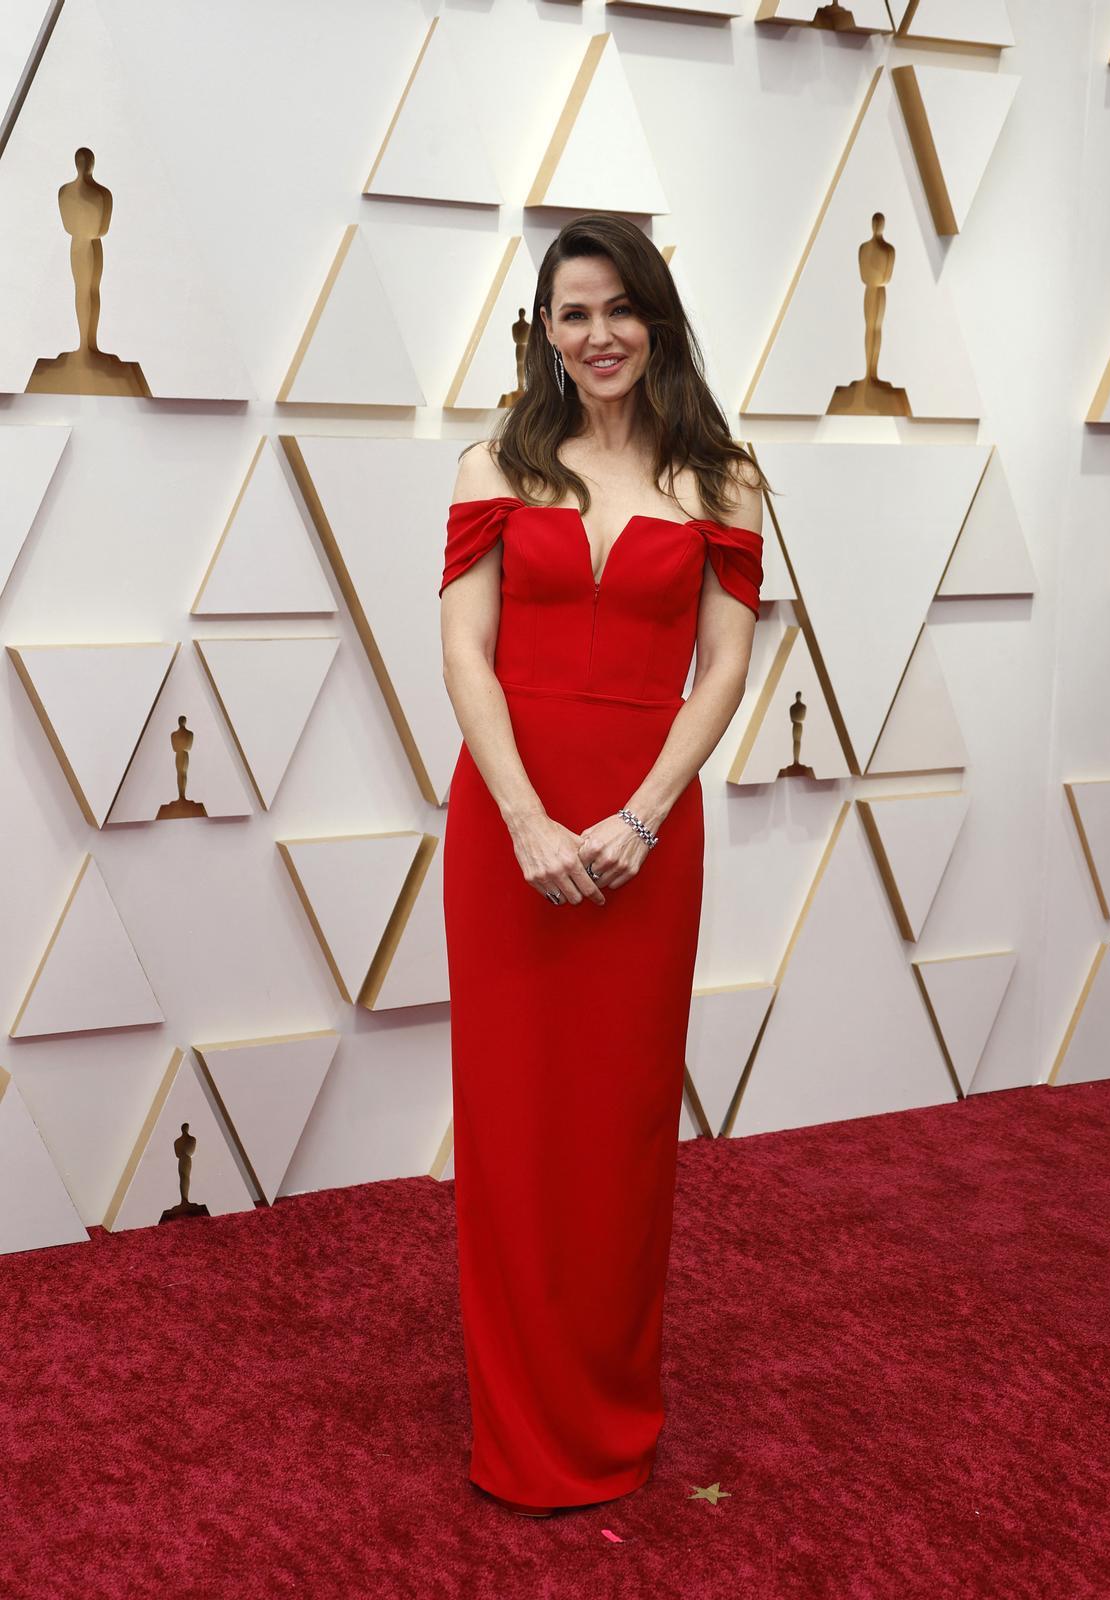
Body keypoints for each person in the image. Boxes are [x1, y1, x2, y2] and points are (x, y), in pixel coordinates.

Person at [438, 213, 769, 1518]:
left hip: (646, 830)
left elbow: (724, 669)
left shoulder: (721, 480)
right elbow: (466, 655)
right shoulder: (494, 465)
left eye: (620, 307)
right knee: (514, 1128)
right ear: (545, 331)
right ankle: (518, 1428)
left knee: (620, 1131)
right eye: (573, 313)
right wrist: (525, 818)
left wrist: (640, 817)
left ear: (656, 317)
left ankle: (610, 1410)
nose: (600, 334)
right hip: (507, 826)